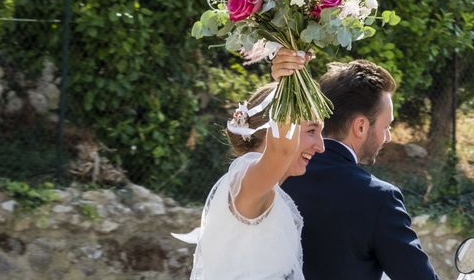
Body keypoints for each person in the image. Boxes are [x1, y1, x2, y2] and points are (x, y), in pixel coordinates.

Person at [273, 49, 440, 280]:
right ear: (360, 126)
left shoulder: (277, 175)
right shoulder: (379, 199)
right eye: (386, 126)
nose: (388, 137)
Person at [173, 82, 325, 280]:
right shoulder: (247, 180)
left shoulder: (265, 190)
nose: (321, 146)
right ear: (274, 130)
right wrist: (290, 77)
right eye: (311, 131)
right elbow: (280, 152)